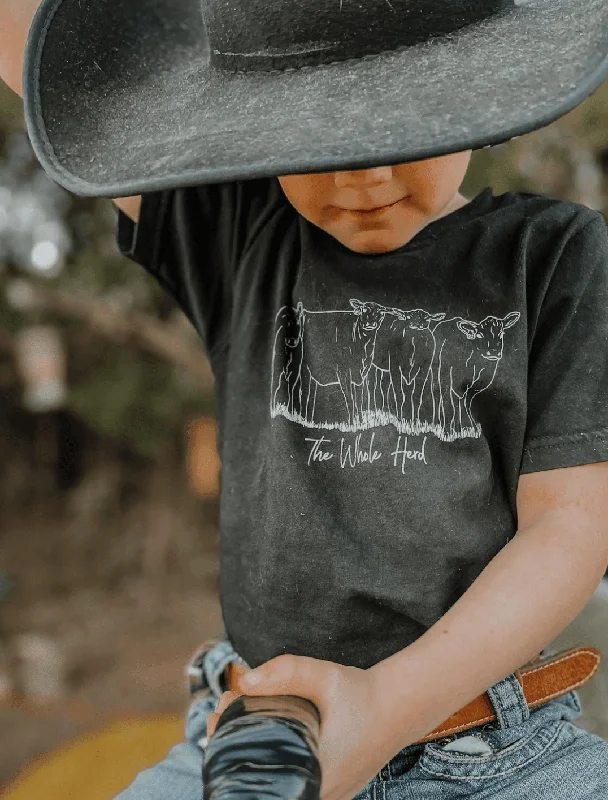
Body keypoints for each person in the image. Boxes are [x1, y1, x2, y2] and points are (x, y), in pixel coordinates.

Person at [3, 0, 608, 797]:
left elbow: (572, 526)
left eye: (405, 123)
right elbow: (44, 55)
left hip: (497, 753)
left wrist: (388, 704)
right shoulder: (238, 238)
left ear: (483, 93)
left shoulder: (557, 256)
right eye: (317, 137)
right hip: (257, 743)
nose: (365, 176)